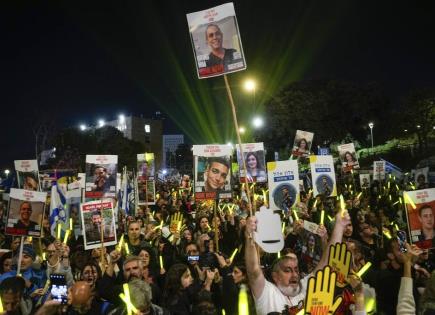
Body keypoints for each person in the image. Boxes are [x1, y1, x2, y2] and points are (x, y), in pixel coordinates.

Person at [244, 210, 351, 314]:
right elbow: (253, 271)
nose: (295, 274)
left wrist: (339, 227)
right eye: (287, 270)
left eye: (296, 269)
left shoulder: (304, 287)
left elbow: (326, 262)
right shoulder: (267, 293)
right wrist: (249, 237)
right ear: (275, 276)